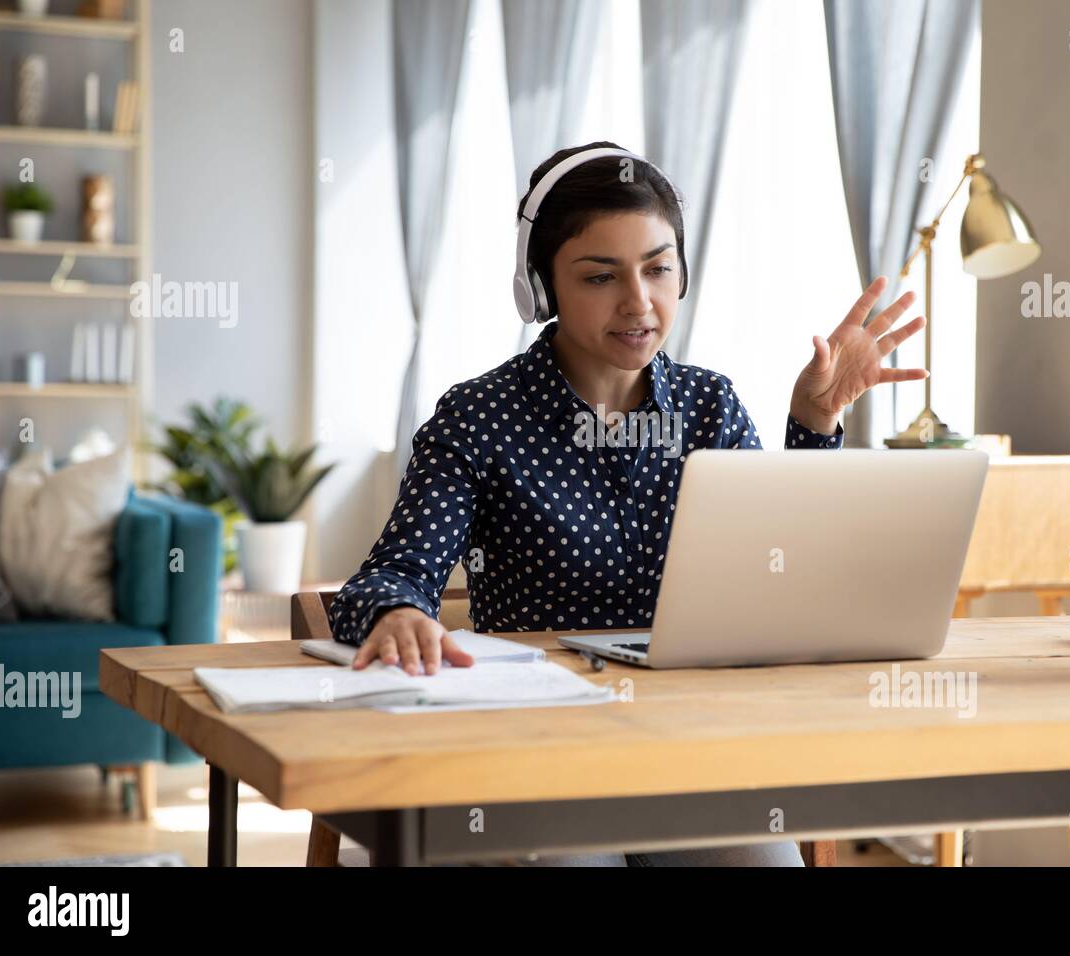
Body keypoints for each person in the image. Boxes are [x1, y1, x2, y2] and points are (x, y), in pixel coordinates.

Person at [328, 141, 927, 866]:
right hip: (536, 753)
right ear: (541, 287)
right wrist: (396, 612)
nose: (639, 302)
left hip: (692, 749)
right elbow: (390, 576)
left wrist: (815, 425)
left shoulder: (710, 405)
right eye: (600, 276)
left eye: (658, 268)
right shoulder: (478, 416)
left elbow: (781, 580)